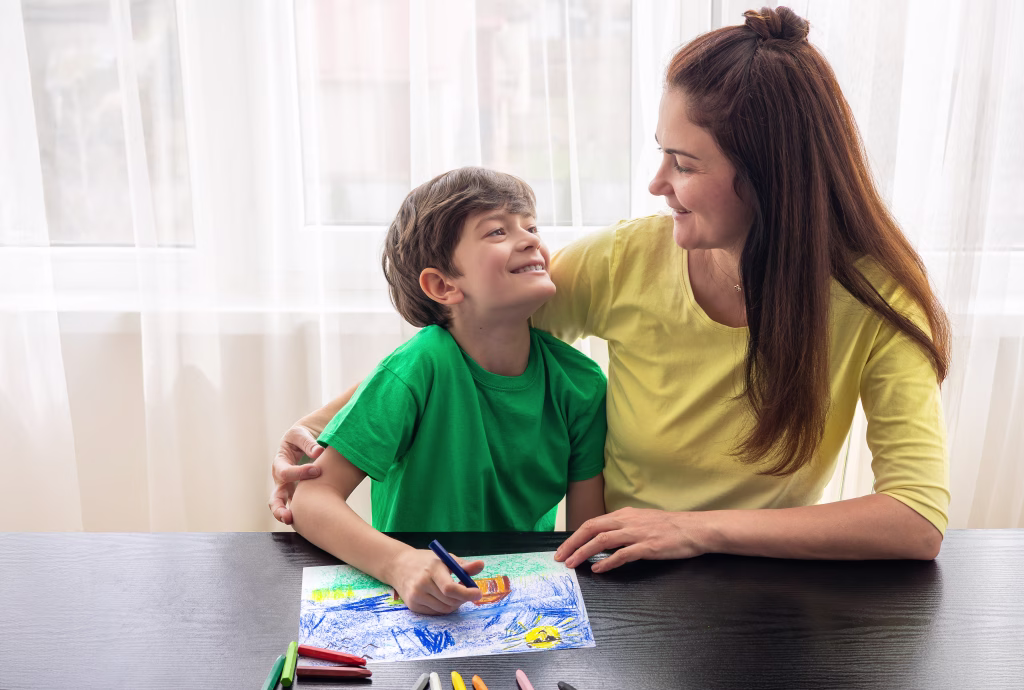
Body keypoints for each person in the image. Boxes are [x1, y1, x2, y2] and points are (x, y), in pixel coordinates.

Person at [273, 6, 950, 571]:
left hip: (760, 583)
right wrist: (320, 430)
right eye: (661, 152)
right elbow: (472, 335)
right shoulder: (628, 258)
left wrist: (699, 529)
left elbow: (916, 519)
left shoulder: (878, 297)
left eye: (682, 163)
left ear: (770, 178)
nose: (657, 184)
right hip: (621, 571)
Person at [287, 167, 608, 615]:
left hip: (520, 609)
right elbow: (310, 500)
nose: (531, 239)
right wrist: (400, 563)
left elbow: (584, 538)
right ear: (443, 285)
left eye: (532, 226)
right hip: (417, 602)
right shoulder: (420, 365)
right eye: (497, 230)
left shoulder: (582, 383)